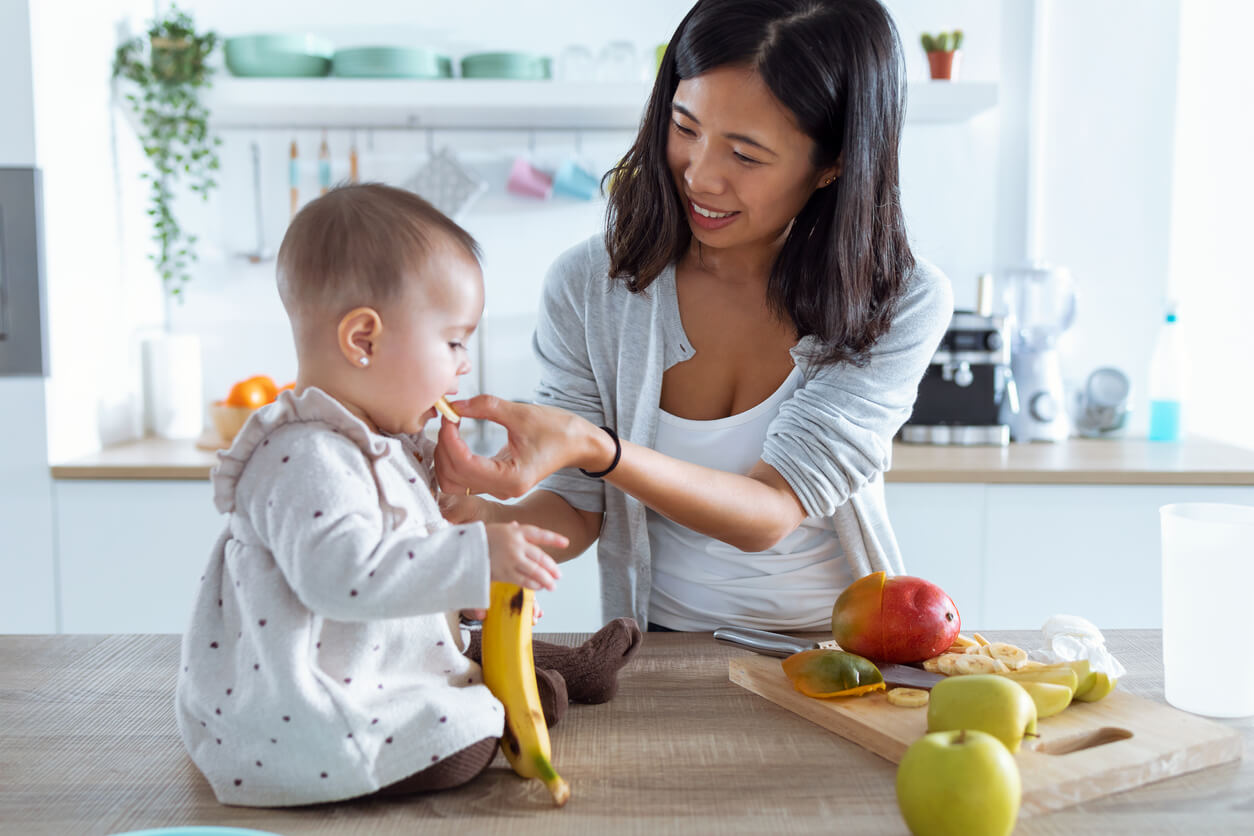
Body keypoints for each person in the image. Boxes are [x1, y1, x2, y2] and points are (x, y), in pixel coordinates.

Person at [435, 0, 953, 633]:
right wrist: (473, 524)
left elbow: (769, 511)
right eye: (685, 127)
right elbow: (575, 510)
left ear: (833, 163)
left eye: (747, 155)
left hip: (843, 654)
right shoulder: (590, 285)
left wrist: (596, 447)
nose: (701, 176)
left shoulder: (899, 299)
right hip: (657, 653)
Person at [175, 184, 640, 808]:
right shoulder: (303, 456)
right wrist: (476, 559)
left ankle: (572, 671)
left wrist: (452, 508)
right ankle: (514, 704)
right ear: (363, 340)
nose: (464, 366)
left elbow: (413, 568)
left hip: (379, 649)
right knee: (464, 743)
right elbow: (343, 578)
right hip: (309, 691)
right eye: (453, 342)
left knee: (473, 642)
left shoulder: (378, 442)